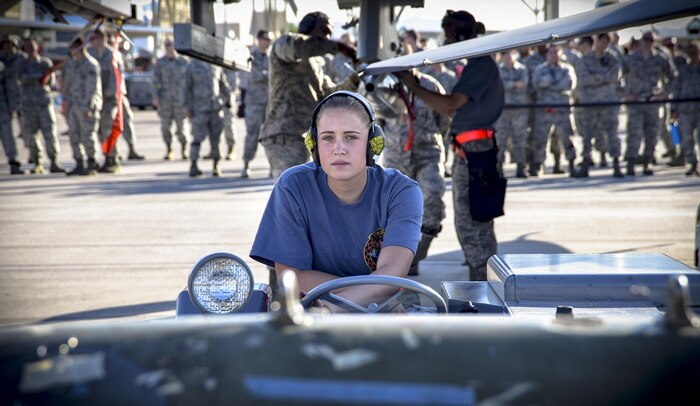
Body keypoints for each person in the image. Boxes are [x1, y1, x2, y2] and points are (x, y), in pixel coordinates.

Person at [250, 91, 422, 310]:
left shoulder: (401, 192)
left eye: (351, 137)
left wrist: (333, 308)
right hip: (329, 308)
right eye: (328, 137)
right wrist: (365, 299)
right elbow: (292, 279)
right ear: (314, 144)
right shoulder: (293, 187)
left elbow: (391, 276)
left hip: (383, 310)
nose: (339, 149)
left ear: (372, 143)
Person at [401, 9, 505, 281]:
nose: (448, 42)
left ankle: (483, 286)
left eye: (450, 35)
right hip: (471, 153)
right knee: (470, 220)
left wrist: (413, 87)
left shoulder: (480, 65)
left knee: (473, 223)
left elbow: (450, 105)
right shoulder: (477, 65)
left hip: (476, 154)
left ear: (461, 33)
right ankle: (482, 281)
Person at [259, 11, 360, 179]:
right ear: (309, 27)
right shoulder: (285, 44)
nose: (327, 37)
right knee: (292, 195)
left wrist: (355, 79)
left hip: (303, 136)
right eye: (324, 31)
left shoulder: (315, 64)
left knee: (302, 197)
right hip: (284, 134)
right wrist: (339, 47)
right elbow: (300, 48)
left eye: (329, 34)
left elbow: (329, 94)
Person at [381, 70, 447, 276]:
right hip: (397, 156)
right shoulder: (385, 86)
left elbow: (443, 118)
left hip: (428, 153)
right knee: (392, 210)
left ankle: (417, 255)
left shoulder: (431, 85)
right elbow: (377, 121)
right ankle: (398, 260)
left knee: (433, 200)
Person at [622, 31, 676, 176]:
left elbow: (673, 77)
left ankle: (647, 162)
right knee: (634, 134)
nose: (647, 42)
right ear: (639, 42)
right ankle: (631, 163)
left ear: (654, 42)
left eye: (650, 39)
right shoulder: (630, 59)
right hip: (636, 103)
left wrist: (664, 93)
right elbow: (616, 77)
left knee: (652, 134)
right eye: (645, 39)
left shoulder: (660, 58)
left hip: (653, 102)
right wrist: (625, 94)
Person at [574, 33, 623, 178]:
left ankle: (616, 164)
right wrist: (603, 78)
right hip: (590, 103)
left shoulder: (612, 59)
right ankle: (585, 164)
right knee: (587, 134)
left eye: (605, 42)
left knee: (612, 134)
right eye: (600, 41)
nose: (602, 44)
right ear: (596, 42)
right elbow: (583, 79)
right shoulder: (585, 59)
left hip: (608, 103)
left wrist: (595, 76)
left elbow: (614, 76)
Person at [16, 37, 64, 174]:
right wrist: (37, 77)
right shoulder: (21, 64)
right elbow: (21, 79)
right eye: (27, 46)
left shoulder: (45, 63)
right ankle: (37, 162)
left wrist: (33, 78)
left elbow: (50, 81)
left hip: (44, 104)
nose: (30, 49)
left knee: (50, 133)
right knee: (31, 134)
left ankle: (54, 161)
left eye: (32, 46)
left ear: (37, 47)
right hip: (28, 105)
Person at [531, 45, 578, 177]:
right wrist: (557, 83)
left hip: (562, 110)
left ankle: (571, 164)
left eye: (556, 52)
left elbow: (569, 84)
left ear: (561, 54)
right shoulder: (540, 69)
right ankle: (539, 165)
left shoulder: (567, 69)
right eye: (551, 52)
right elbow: (537, 83)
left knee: (567, 138)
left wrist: (549, 83)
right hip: (545, 110)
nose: (553, 55)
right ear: (547, 55)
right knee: (541, 138)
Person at [183, 59, 231, 177]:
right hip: (199, 109)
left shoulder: (216, 65)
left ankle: (216, 165)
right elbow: (186, 89)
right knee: (197, 139)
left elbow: (223, 84)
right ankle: (193, 164)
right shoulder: (192, 66)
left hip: (215, 108)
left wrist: (228, 99)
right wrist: (187, 107)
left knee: (216, 139)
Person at [62, 36, 102, 176]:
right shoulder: (72, 65)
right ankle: (79, 162)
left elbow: (93, 89)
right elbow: (67, 85)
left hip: (86, 107)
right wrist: (65, 102)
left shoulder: (91, 64)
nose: (71, 50)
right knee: (74, 135)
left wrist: (88, 107)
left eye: (73, 47)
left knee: (88, 135)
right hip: (73, 106)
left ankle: (92, 162)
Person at [87, 28, 123, 173]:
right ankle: (107, 156)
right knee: (100, 131)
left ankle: (113, 159)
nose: (91, 42)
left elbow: (115, 80)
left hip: (109, 100)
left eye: (93, 38)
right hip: (97, 100)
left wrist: (107, 96)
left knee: (108, 129)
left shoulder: (112, 55)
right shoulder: (91, 54)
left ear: (102, 38)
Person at [152, 38, 190, 160]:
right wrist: (155, 97)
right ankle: (169, 149)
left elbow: (190, 81)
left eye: (171, 44)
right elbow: (155, 81)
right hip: (165, 100)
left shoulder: (184, 61)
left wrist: (189, 99)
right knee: (166, 127)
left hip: (180, 100)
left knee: (182, 127)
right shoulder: (160, 62)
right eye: (166, 45)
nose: (169, 47)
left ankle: (184, 149)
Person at [241, 29, 271, 178]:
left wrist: (265, 72)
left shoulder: (272, 57)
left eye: (269, 40)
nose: (267, 42)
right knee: (252, 134)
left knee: (271, 136)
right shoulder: (251, 56)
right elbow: (255, 75)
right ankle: (246, 164)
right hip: (254, 103)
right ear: (259, 39)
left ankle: (273, 166)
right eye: (265, 39)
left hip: (270, 104)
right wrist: (268, 73)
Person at [494, 49, 529, 178]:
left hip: (519, 110)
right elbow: (499, 85)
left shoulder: (522, 69)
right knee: (501, 140)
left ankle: (521, 167)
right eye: (505, 54)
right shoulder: (498, 70)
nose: (508, 56)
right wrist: (515, 84)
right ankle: (499, 168)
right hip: (502, 110)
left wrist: (508, 84)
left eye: (510, 53)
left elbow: (524, 84)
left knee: (519, 140)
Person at [673, 42, 699, 176]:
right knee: (686, 139)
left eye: (694, 52)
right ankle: (692, 163)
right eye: (690, 52)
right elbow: (676, 89)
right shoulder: (683, 70)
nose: (692, 55)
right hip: (685, 109)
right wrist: (674, 108)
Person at [0, 60, 23, 174]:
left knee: (8, 135)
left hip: (3, 107)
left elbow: (9, 86)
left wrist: (13, 105)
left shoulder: (1, 66)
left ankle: (13, 161)